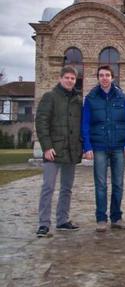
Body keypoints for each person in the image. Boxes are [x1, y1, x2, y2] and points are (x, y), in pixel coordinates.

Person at [82, 65, 125, 232]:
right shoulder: (90, 98)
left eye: (107, 75)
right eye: (101, 75)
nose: (104, 78)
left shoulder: (122, 97)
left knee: (118, 184)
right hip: (99, 147)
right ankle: (101, 219)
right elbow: (85, 124)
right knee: (101, 184)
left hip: (119, 147)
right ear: (98, 78)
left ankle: (116, 217)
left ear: (112, 78)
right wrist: (87, 146)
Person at [35, 66, 82, 237]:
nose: (70, 80)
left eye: (73, 78)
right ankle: (43, 223)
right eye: (67, 77)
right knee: (48, 187)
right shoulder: (50, 97)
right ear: (60, 78)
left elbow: (80, 126)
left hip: (70, 150)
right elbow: (41, 122)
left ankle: (62, 220)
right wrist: (46, 146)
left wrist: (80, 145)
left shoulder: (78, 100)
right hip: (53, 151)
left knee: (66, 188)